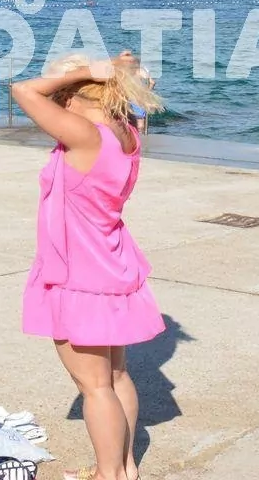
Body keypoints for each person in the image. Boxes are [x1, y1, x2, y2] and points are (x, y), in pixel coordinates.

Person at [10, 57, 166, 480]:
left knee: (95, 387)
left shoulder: (85, 135)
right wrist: (116, 72)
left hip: (79, 274)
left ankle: (106, 475)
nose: (56, 101)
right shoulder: (126, 132)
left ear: (73, 95)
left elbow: (23, 90)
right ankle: (124, 468)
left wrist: (81, 73)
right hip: (110, 263)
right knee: (115, 377)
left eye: (61, 94)